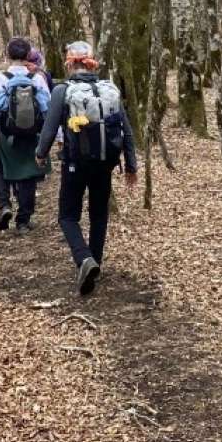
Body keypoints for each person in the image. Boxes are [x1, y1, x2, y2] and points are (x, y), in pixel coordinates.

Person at [35, 40, 138, 296]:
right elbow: (126, 129)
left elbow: (49, 129)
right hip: (106, 163)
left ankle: (83, 259)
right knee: (99, 214)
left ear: (70, 63)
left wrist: (40, 154)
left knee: (68, 216)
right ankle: (96, 264)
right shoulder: (109, 89)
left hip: (75, 163)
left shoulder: (62, 90)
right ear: (92, 62)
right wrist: (131, 166)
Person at [0, 37, 51, 236]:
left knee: (0, 169)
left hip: (6, 136)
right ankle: (23, 221)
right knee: (29, 176)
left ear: (7, 55)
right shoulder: (37, 78)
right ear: (28, 55)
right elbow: (48, 110)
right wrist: (57, 137)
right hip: (32, 135)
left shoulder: (0, 78)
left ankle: (4, 206)